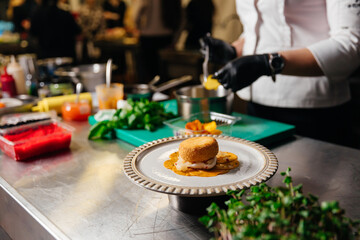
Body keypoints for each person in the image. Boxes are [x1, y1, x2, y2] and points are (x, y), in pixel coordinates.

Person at [201, 1, 360, 147]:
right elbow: (264, 26)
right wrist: (235, 49)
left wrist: (268, 63)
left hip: (316, 112)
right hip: (256, 110)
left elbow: (351, 45)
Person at [134, 0, 182, 83]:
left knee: (148, 70)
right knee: (164, 70)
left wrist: (138, 27)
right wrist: (176, 38)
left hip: (147, 35)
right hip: (167, 35)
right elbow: (180, 17)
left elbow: (136, 14)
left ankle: (149, 92)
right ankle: (163, 93)